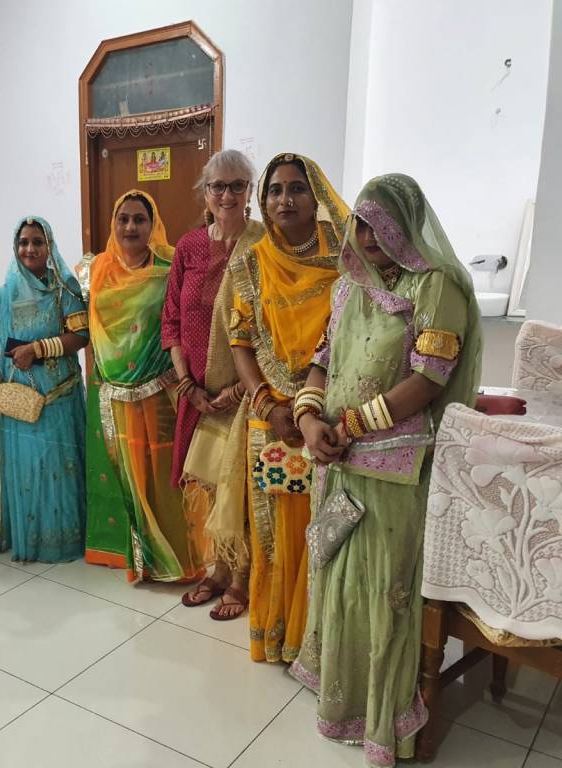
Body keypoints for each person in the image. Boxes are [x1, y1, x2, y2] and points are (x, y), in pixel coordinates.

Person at [290, 174, 482, 766]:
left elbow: (429, 379)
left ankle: (383, 720)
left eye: (382, 222)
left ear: (407, 222)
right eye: (362, 222)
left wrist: (352, 425)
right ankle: (342, 703)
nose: (369, 235)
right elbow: (320, 362)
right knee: (341, 584)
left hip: (394, 467)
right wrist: (308, 418)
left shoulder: (436, 286)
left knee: (386, 593)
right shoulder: (349, 287)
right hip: (338, 461)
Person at [227, 152, 349, 662]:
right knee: (275, 531)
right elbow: (240, 339)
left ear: (315, 196)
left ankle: (320, 641)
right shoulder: (249, 262)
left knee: (327, 527)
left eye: (296, 188)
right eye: (275, 190)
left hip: (331, 415)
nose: (285, 199)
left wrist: (311, 408)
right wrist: (266, 402)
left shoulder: (345, 262)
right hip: (271, 416)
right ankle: (279, 635)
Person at [79, 190, 210, 582]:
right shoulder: (94, 270)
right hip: (113, 392)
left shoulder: (172, 266)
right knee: (126, 478)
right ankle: (137, 561)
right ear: (113, 224)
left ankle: (180, 563)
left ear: (153, 225)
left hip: (162, 391)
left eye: (140, 219)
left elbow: (187, 321)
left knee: (166, 478)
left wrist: (180, 370)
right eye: (123, 219)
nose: (130, 227)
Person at [165, 149, 265, 620]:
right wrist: (189, 386)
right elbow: (171, 321)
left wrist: (240, 389)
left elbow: (272, 326)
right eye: (217, 186)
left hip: (247, 392)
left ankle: (242, 577)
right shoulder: (188, 247)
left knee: (240, 485)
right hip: (198, 393)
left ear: (250, 192)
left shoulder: (263, 245)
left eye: (237, 185)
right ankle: (218, 568)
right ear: (205, 193)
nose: (226, 195)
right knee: (209, 485)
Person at [0, 216, 88, 563]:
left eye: (37, 242)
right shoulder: (8, 288)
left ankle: (59, 540)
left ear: (49, 245)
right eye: (23, 242)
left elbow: (81, 336)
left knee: (55, 466)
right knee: (24, 467)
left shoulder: (64, 286)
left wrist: (38, 349)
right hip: (17, 398)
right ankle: (23, 536)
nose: (29, 249)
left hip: (56, 394)